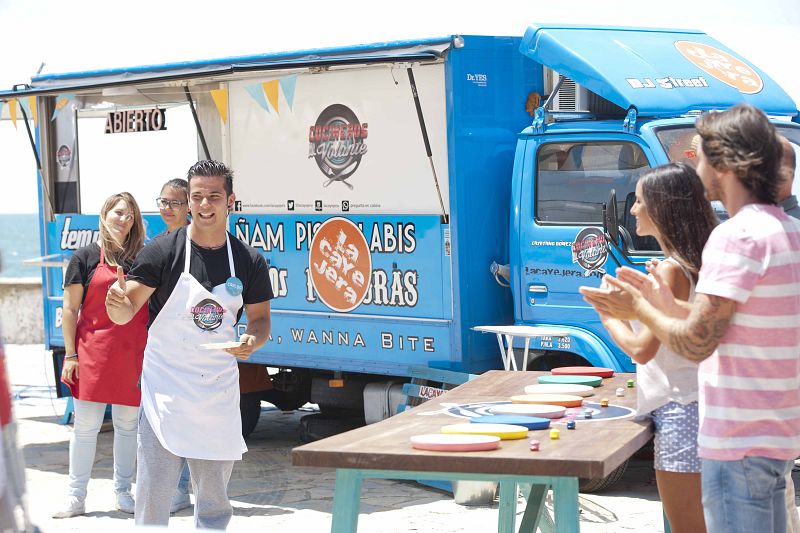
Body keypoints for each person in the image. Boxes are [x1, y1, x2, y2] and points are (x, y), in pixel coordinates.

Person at [582, 103, 800, 533]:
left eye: (699, 155)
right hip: (775, 435)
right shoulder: (786, 230)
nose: (694, 165)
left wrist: (635, 309)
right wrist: (660, 301)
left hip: (736, 440)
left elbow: (698, 342)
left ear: (723, 163)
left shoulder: (735, 235)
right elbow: (734, 329)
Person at [105, 160, 272, 529]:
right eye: (197, 197)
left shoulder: (248, 260)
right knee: (152, 497)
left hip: (216, 391)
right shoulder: (162, 252)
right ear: (188, 202)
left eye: (214, 196)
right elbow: (127, 307)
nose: (205, 204)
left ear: (231, 201)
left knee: (214, 505)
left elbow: (260, 321)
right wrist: (116, 305)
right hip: (165, 390)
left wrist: (251, 342)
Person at [588, 163, 716, 532]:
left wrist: (608, 314)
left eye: (640, 200)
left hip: (681, 410)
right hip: (701, 406)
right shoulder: (689, 263)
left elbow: (641, 350)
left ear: (661, 208)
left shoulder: (672, 270)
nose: (632, 209)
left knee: (686, 525)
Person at [54, 192, 148, 518]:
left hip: (132, 354)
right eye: (118, 212)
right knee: (85, 428)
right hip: (91, 354)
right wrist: (70, 355)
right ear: (105, 214)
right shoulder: (84, 257)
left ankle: (124, 493)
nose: (124, 219)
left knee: (127, 426)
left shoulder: (142, 260)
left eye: (130, 215)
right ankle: (75, 498)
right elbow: (69, 309)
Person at [155, 177, 193, 514]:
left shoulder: (196, 245)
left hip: (189, 346)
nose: (167, 209)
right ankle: (171, 487)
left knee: (184, 420)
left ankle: (182, 489)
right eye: (163, 202)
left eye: (174, 203)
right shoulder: (158, 244)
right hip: (161, 346)